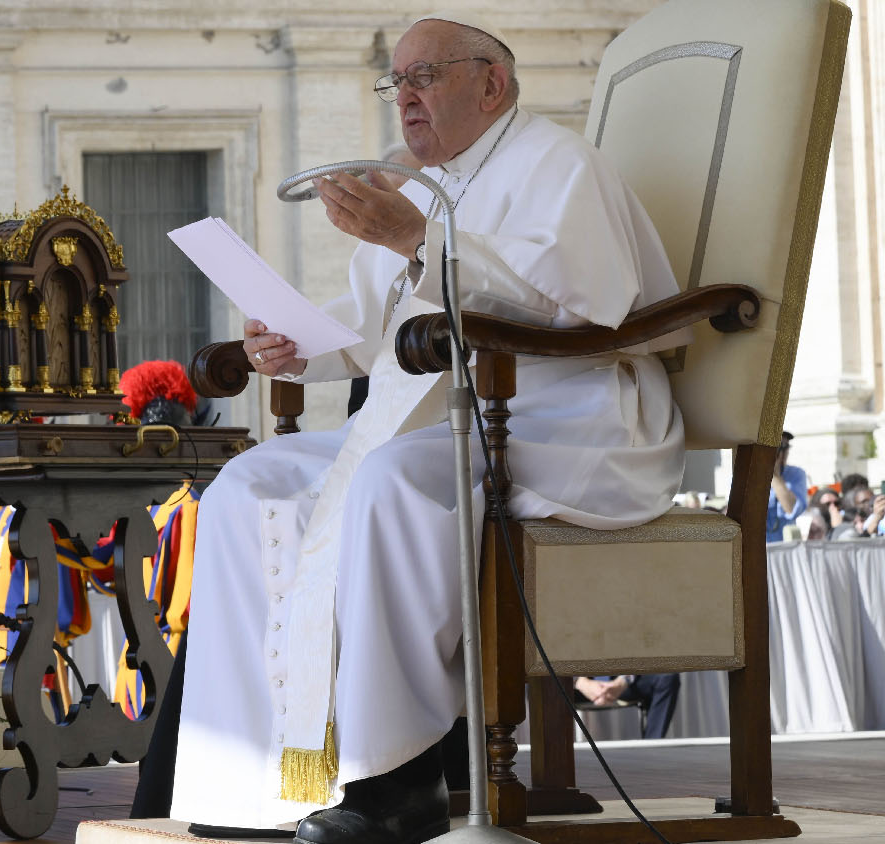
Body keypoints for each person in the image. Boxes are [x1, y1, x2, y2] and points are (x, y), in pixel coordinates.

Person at [170, 15, 687, 844]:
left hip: (569, 413)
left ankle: (396, 785)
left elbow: (577, 310)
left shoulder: (559, 165)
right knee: (252, 482)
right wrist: (294, 346)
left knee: (387, 482)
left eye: (426, 76)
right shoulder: (416, 186)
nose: (405, 97)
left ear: (492, 84)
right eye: (396, 82)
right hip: (439, 412)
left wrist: (416, 236)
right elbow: (383, 328)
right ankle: (260, 778)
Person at [573, 674, 681, 739]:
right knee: (557, 686)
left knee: (667, 677)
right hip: (570, 682)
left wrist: (623, 681)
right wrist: (579, 681)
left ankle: (651, 750)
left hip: (620, 679)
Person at [767, 432, 808, 542]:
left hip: (784, 548)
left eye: (785, 447)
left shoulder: (796, 474)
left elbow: (791, 509)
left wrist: (774, 476)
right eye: (779, 448)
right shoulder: (749, 476)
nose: (782, 454)